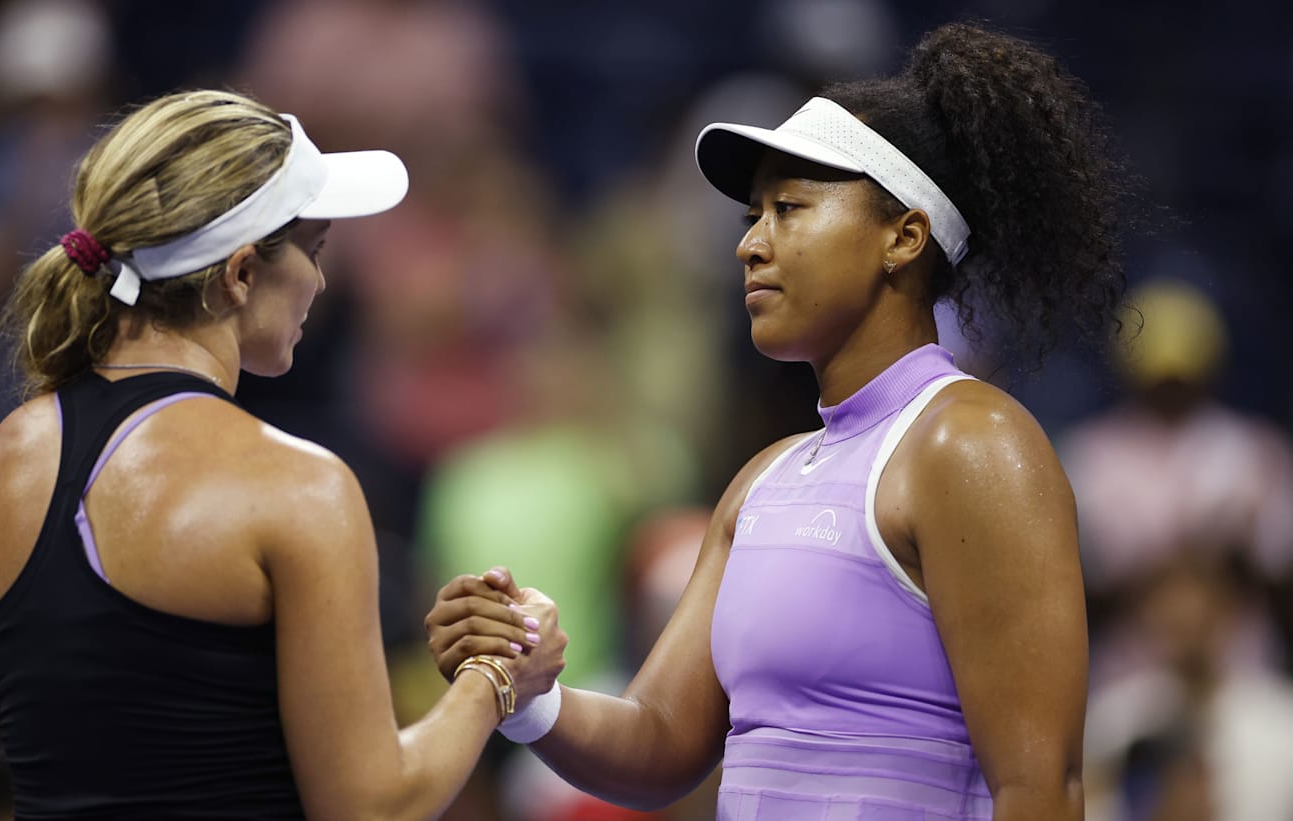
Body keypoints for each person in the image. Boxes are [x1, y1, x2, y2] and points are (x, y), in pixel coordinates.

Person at [426, 22, 1128, 820]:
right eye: (750, 218)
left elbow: (1040, 789)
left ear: (904, 236)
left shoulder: (971, 444)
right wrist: (524, 691)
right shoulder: (763, 479)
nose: (751, 246)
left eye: (788, 209)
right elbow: (659, 741)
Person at [0, 89, 564, 820]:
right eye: (314, 251)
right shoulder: (299, 488)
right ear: (241, 274)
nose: (321, 282)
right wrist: (497, 676)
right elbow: (373, 809)